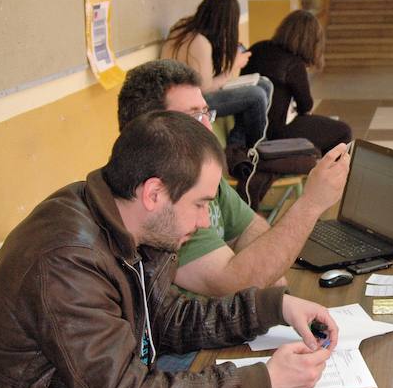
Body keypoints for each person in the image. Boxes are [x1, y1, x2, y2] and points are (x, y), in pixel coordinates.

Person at [0, 111, 339, 388]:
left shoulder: (126, 224)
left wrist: (275, 308)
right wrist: (263, 382)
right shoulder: (68, 261)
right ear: (154, 194)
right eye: (200, 204)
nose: (204, 222)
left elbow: (166, 319)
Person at [118, 59, 349, 296]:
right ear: (151, 129)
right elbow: (232, 284)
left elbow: (250, 229)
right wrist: (310, 204)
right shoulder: (164, 199)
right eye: (194, 118)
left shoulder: (199, 173)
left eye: (207, 114)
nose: (207, 128)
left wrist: (262, 271)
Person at [162, 0, 273, 149]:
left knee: (263, 83)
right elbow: (205, 88)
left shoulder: (183, 27)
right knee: (256, 95)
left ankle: (238, 142)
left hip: (178, 95)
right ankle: (258, 148)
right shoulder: (200, 42)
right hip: (188, 103)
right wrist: (233, 66)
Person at [244, 10, 352, 155]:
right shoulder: (294, 64)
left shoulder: (258, 48)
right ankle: (331, 174)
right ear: (311, 41)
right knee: (343, 131)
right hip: (276, 132)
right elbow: (306, 105)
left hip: (248, 128)